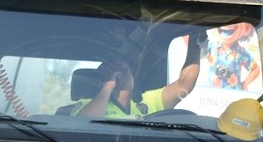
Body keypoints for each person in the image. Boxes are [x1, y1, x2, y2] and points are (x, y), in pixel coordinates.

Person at [72, 33, 204, 119]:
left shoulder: (148, 101)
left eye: (127, 68)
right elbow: (83, 124)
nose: (125, 71)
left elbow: (184, 85)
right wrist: (108, 86)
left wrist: (195, 41)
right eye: (117, 69)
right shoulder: (88, 104)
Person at [205, 23, 260, 91]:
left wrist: (245, 84)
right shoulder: (211, 46)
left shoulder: (241, 52)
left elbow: (256, 69)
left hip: (233, 93)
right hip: (210, 91)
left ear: (246, 29)